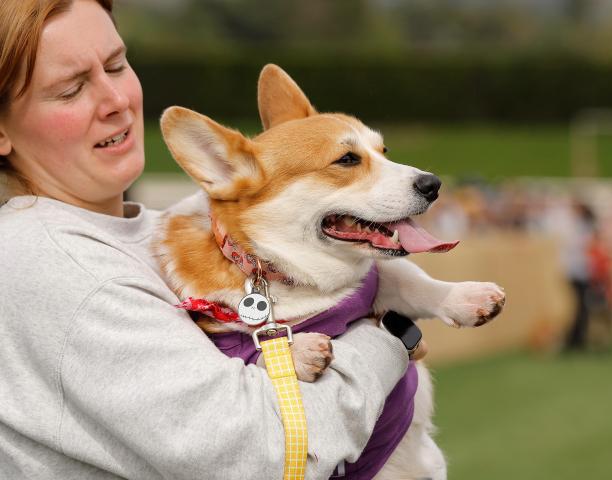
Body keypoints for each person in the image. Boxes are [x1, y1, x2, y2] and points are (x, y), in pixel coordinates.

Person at [0, 1, 418, 478]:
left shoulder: (161, 234)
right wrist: (385, 342)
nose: (115, 98)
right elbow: (265, 456)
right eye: (70, 90)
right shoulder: (55, 268)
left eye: (117, 64)